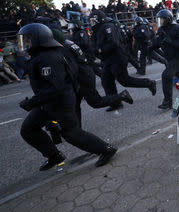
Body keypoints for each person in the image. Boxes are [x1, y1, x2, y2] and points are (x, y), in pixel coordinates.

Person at [17, 23, 117, 170]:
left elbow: (55, 88)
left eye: (28, 39)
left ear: (38, 39)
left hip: (60, 101)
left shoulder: (48, 58)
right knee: (28, 129)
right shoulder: (41, 55)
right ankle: (54, 156)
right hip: (47, 102)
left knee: (71, 133)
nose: (26, 43)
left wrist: (32, 102)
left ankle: (106, 149)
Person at [51, 29, 133, 123]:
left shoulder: (64, 48)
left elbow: (72, 67)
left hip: (83, 77)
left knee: (95, 102)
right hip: (83, 74)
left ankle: (122, 96)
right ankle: (77, 129)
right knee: (75, 105)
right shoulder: (68, 43)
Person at [91, 10, 156, 111]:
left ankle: (149, 83)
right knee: (106, 81)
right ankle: (115, 103)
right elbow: (95, 44)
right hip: (106, 59)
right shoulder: (97, 29)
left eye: (93, 20)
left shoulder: (108, 26)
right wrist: (96, 50)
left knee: (125, 81)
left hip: (117, 58)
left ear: (98, 19)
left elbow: (113, 43)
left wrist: (100, 50)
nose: (91, 22)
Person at [149, 9, 179, 109]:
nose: (160, 21)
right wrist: (148, 49)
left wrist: (171, 42)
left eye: (161, 19)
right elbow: (157, 42)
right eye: (159, 19)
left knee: (166, 75)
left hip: (178, 58)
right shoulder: (162, 30)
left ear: (167, 19)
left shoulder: (178, 29)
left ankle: (167, 102)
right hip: (169, 59)